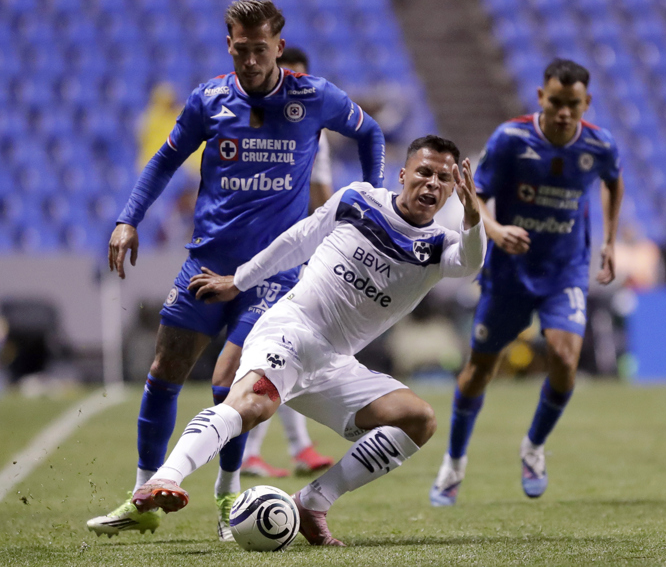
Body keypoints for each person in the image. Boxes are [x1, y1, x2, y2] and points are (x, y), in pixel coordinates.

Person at [88, 0, 385, 540]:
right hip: (207, 263)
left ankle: (228, 500)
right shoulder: (209, 99)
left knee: (230, 383)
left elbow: (371, 133)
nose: (250, 60)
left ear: (278, 46)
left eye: (260, 49)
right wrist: (128, 219)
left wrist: (372, 197)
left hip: (274, 273)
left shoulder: (314, 97)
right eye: (240, 50)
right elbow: (164, 160)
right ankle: (143, 495)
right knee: (164, 371)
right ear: (229, 45)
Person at [128, 135, 485, 547]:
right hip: (291, 330)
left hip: (335, 363)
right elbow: (298, 239)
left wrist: (473, 216)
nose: (432, 183)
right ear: (403, 174)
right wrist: (238, 281)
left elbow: (471, 261)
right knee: (252, 405)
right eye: (424, 172)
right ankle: (164, 479)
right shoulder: (359, 200)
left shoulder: (440, 245)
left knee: (418, 419)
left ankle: (312, 502)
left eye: (444, 178)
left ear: (453, 188)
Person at [429, 58, 624, 506]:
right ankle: (453, 463)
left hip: (565, 271)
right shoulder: (511, 139)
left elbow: (614, 182)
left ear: (586, 103)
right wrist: (496, 231)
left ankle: (534, 447)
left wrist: (611, 240)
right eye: (555, 102)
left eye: (573, 104)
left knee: (565, 359)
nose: (563, 112)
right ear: (541, 97)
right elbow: (475, 196)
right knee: (479, 371)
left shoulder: (599, 144)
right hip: (509, 273)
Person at [241, 47, 336, 479]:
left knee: (288, 346)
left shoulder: (314, 128)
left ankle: (292, 448)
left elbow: (322, 192)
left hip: (292, 251)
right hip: (262, 250)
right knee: (276, 347)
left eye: (302, 79)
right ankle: (252, 450)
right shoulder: (254, 122)